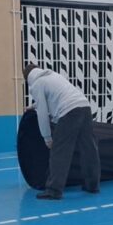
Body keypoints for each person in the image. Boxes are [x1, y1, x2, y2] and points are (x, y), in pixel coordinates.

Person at [24, 64, 101, 200]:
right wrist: (33, 106)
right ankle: (92, 185)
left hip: (69, 112)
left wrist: (47, 138)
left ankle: (53, 190)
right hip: (84, 106)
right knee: (89, 149)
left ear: (28, 79)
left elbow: (42, 113)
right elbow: (55, 96)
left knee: (59, 151)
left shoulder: (36, 84)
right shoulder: (52, 75)